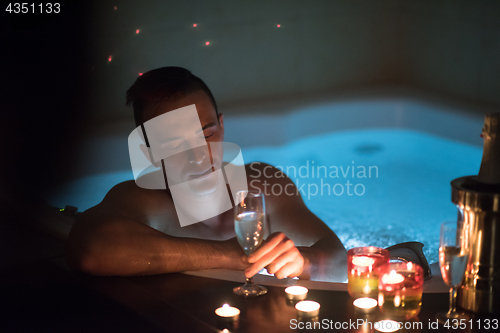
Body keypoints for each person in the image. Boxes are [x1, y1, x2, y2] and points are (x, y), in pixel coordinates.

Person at [66, 67, 347, 282]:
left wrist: (305, 262)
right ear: (149, 151)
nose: (197, 155)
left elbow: (340, 260)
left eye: (207, 134)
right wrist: (231, 255)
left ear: (222, 127)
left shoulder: (263, 183)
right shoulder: (142, 201)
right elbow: (91, 249)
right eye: (175, 144)